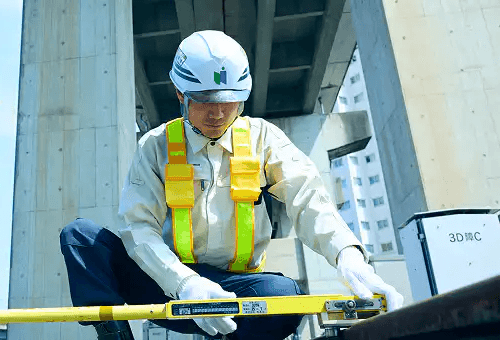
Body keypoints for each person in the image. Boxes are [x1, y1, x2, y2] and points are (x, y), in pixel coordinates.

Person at [60, 30, 403, 340]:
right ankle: (114, 335)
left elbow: (307, 198)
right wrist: (185, 283)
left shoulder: (262, 138)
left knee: (284, 295)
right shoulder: (155, 146)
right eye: (206, 101)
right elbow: (139, 230)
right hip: (167, 284)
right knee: (81, 238)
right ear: (180, 93)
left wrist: (348, 257)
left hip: (236, 293)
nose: (218, 113)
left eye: (230, 100)